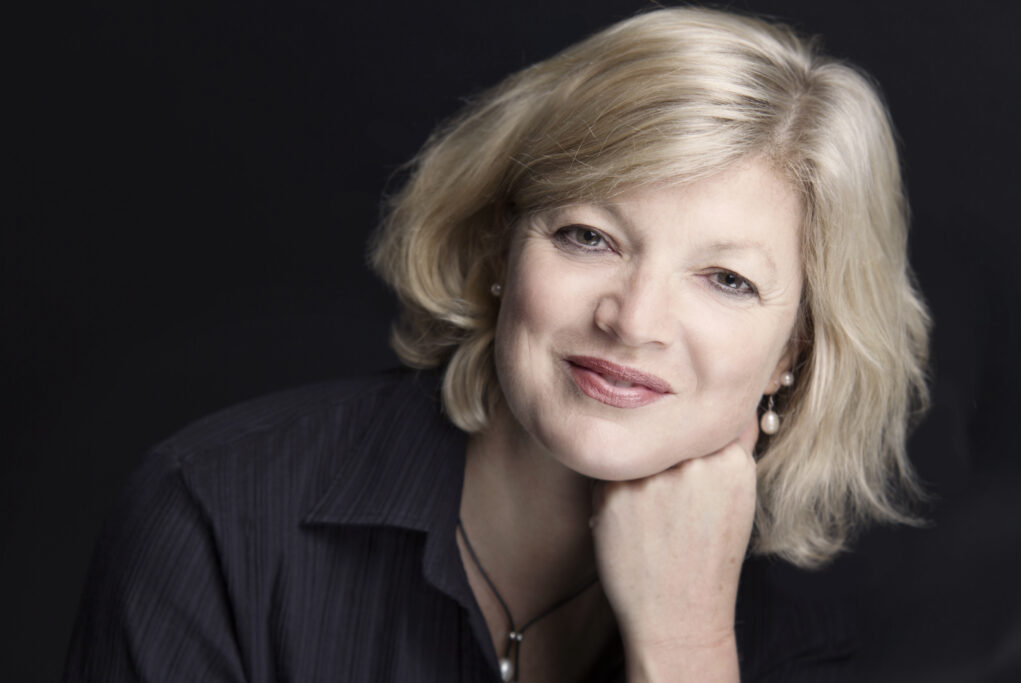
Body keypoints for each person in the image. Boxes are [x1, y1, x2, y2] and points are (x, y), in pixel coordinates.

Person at [64, 6, 930, 682]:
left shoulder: (793, 647)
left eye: (727, 279)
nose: (632, 320)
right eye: (590, 236)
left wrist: (685, 647)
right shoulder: (216, 519)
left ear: (794, 353)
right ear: (498, 248)